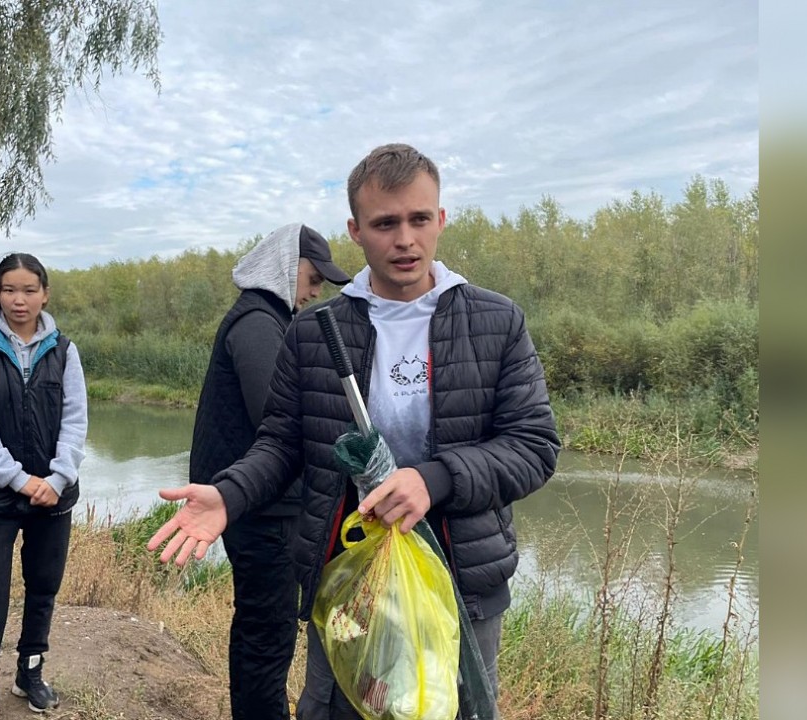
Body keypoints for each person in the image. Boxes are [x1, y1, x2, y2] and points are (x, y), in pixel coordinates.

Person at [148, 144, 560, 719]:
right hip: (345, 574)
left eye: (419, 220)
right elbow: (282, 445)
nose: (405, 240)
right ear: (356, 230)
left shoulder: (496, 322)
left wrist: (432, 480)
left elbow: (533, 447)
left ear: (441, 220)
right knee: (334, 707)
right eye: (385, 223)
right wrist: (228, 494)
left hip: (464, 583)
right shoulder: (317, 331)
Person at [189, 223, 350, 720]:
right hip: (262, 509)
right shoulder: (260, 323)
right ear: (286, 266)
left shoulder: (265, 317)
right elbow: (277, 420)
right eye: (313, 274)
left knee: (262, 626)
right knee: (268, 631)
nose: (318, 288)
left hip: (257, 503)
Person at [0, 253, 88, 720]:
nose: (19, 299)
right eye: (9, 289)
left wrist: (57, 477)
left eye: (29, 290)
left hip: (53, 495)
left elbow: (75, 421)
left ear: (45, 294)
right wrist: (19, 479)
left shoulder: (65, 350)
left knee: (43, 586)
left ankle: (30, 670)